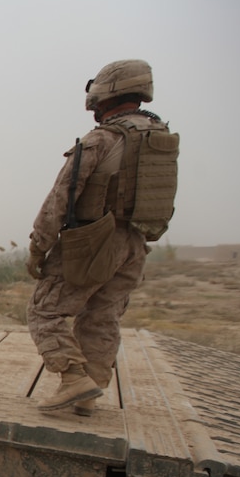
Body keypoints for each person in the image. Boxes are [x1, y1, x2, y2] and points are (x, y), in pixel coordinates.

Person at [26, 59, 179, 415]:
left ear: (107, 92)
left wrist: (38, 247)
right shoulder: (159, 138)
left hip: (95, 242)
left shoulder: (103, 139)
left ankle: (73, 377)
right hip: (136, 243)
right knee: (102, 316)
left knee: (44, 311)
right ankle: (90, 392)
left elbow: (60, 198)